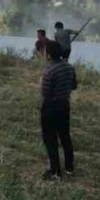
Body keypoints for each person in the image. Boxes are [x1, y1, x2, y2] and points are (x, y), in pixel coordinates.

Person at [39, 40, 78, 180]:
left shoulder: (49, 71)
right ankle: (69, 167)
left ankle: (55, 172)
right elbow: (74, 85)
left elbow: (45, 93)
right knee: (65, 136)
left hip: (51, 107)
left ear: (49, 54)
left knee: (50, 138)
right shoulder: (69, 67)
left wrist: (41, 83)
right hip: (64, 105)